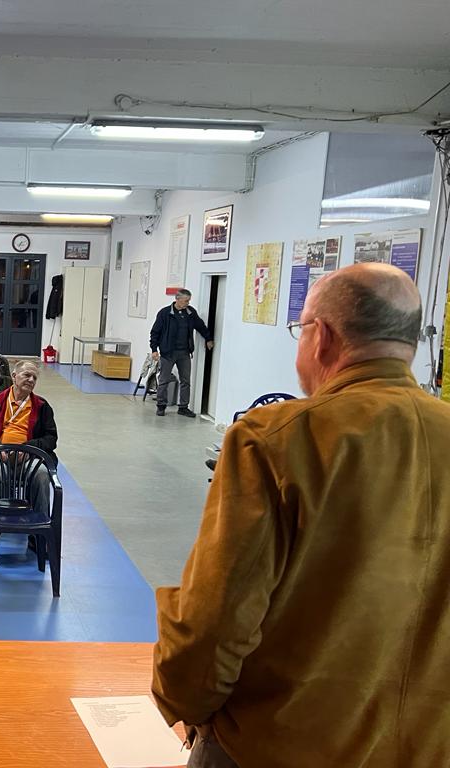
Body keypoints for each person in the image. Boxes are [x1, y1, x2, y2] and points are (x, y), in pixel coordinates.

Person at [153, 263, 450, 767]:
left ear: (322, 337)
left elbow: (216, 619)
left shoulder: (276, 440)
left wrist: (185, 702)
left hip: (278, 744)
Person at [0, 360, 58, 569]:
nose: (31, 380)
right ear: (14, 376)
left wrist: (29, 449)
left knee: (42, 474)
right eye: (26, 375)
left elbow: (50, 438)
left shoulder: (42, 406)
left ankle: (39, 533)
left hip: (28, 457)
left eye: (34, 377)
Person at [149, 288, 214, 418]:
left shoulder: (190, 313)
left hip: (184, 353)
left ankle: (183, 407)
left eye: (188, 301)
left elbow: (200, 326)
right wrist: (154, 349)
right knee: (164, 380)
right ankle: (161, 405)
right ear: (177, 299)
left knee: (186, 381)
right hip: (168, 353)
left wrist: (208, 338)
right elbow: (155, 332)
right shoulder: (165, 313)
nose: (187, 303)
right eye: (185, 301)